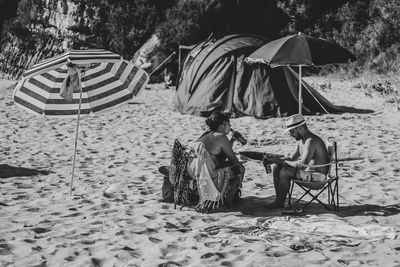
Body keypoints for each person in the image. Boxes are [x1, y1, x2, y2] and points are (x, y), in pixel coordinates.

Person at [266, 114, 330, 208]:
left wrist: (283, 162)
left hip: (318, 176)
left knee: (285, 172)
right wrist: (276, 160)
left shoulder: (311, 141)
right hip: (307, 173)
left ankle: (280, 203)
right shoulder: (300, 140)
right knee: (276, 166)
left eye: (292, 132)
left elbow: (302, 165)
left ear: (300, 129)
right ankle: (278, 201)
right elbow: (292, 158)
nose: (290, 135)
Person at [186, 111, 245, 210]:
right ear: (222, 126)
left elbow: (220, 152)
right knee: (240, 168)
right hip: (209, 173)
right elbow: (233, 160)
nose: (230, 126)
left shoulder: (206, 134)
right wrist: (240, 160)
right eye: (228, 123)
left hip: (194, 171)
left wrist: (232, 140)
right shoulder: (221, 137)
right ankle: (228, 201)